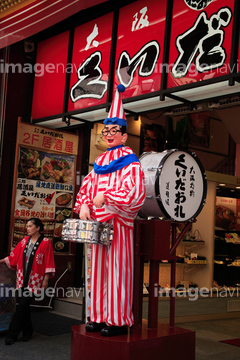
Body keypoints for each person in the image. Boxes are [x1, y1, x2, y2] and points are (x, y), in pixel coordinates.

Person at [74, 85, 146, 337]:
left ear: (124, 135)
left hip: (118, 226)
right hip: (97, 228)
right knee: (97, 273)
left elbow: (135, 194)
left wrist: (108, 198)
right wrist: (83, 204)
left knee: (117, 273)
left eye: (114, 130)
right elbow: (86, 188)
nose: (109, 134)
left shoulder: (131, 162)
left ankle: (118, 319)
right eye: (106, 130)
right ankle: (98, 315)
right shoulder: (100, 163)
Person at [0, 217, 55, 345]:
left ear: (38, 228)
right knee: (23, 306)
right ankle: (27, 332)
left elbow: (48, 261)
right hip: (22, 278)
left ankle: (12, 335)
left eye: (30, 226)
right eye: (27, 226)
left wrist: (45, 279)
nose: (28, 228)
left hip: (36, 280)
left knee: (22, 306)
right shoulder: (25, 240)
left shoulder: (46, 242)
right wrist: (2, 261)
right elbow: (14, 256)